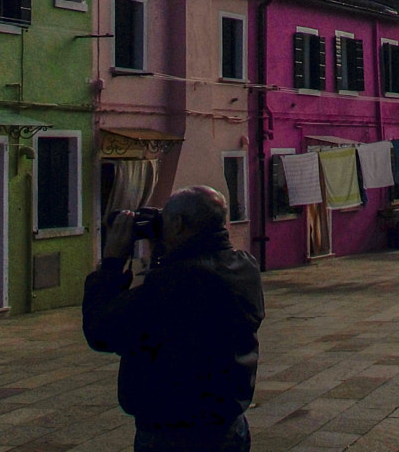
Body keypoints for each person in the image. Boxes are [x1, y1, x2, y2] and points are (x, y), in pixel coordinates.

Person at [83, 184, 265, 452]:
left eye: (166, 220)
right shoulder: (244, 267)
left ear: (179, 224)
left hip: (175, 432)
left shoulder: (176, 283)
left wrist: (111, 263)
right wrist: (165, 249)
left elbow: (101, 331)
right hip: (228, 424)